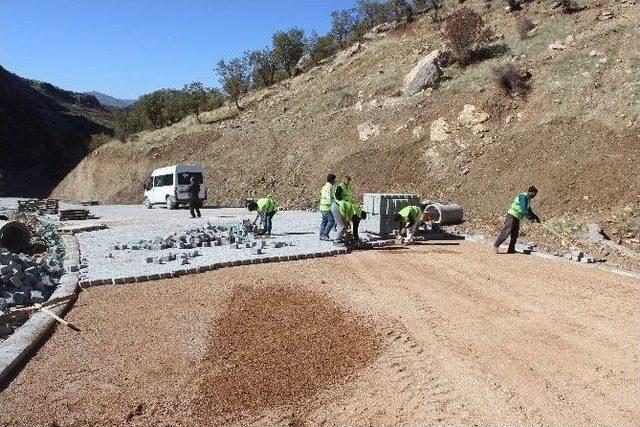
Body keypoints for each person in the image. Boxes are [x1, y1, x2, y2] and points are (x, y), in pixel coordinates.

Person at [494, 186, 541, 253]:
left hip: (517, 217)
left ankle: (511, 249)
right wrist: (530, 218)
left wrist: (536, 217)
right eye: (535, 194)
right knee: (507, 230)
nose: (535, 196)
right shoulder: (523, 197)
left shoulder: (527, 198)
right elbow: (524, 209)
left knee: (515, 233)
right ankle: (496, 245)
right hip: (512, 215)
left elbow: (529, 210)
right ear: (531, 192)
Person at [319, 174, 336, 241]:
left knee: (324, 222)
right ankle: (325, 235)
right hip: (327, 207)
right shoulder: (329, 187)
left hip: (322, 207)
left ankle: (321, 235)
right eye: (334, 180)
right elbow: (329, 198)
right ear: (332, 180)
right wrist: (332, 205)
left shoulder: (324, 186)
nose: (335, 181)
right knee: (331, 221)